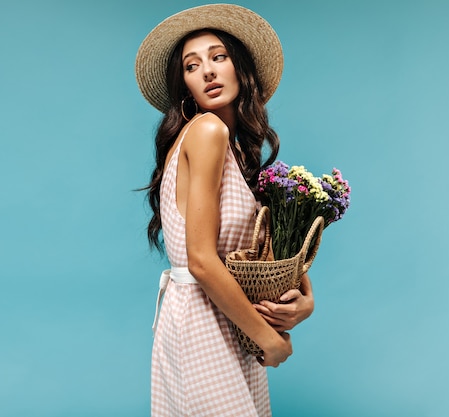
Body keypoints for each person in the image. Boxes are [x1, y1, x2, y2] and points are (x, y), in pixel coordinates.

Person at [135, 4, 315, 416]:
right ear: (185, 87)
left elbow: (257, 254)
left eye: (219, 57)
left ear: (241, 68)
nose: (208, 72)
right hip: (202, 322)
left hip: (227, 319)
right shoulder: (208, 131)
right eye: (192, 66)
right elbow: (200, 260)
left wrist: (306, 301)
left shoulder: (232, 148)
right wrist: (267, 339)